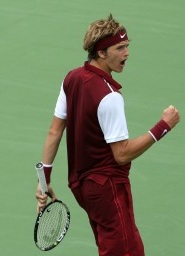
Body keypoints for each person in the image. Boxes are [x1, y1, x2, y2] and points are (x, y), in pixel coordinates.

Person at [35, 14, 180, 256]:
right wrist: (162, 126)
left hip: (82, 187)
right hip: (107, 189)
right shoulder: (109, 97)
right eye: (120, 48)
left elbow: (54, 130)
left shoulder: (71, 78)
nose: (127, 54)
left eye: (127, 46)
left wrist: (44, 179)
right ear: (101, 52)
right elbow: (121, 154)